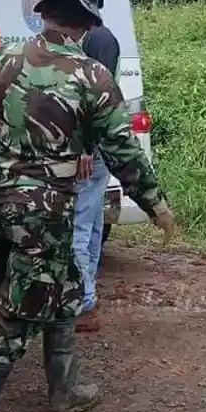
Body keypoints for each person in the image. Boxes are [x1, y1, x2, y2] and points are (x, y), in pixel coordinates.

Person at [0, 0, 176, 412]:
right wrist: (155, 203)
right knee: (17, 310)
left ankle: (64, 393)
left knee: (64, 283)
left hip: (7, 197)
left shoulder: (3, 60)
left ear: (45, 13)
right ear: (87, 23)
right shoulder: (93, 76)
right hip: (45, 205)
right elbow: (123, 151)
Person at [72, 20, 122, 332]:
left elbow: (96, 98)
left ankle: (81, 300)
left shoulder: (98, 38)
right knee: (90, 223)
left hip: (91, 149)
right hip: (97, 146)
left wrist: (86, 146)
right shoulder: (101, 37)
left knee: (79, 224)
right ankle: (87, 294)